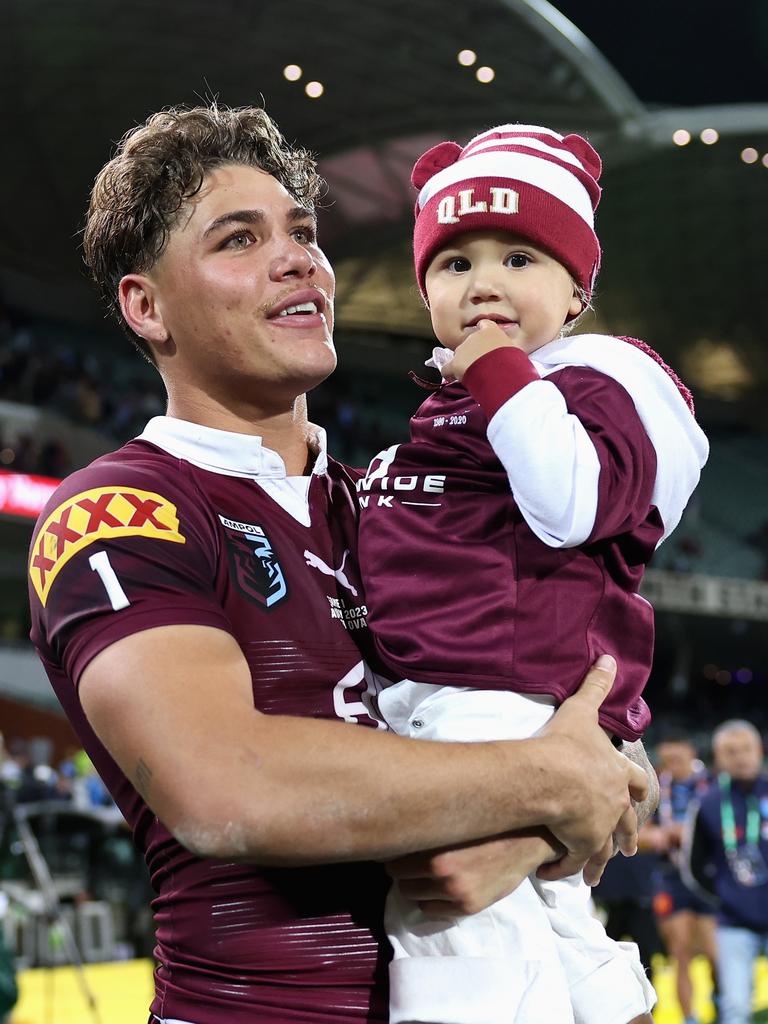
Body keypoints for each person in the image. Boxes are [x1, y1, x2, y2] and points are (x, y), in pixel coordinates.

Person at [26, 105, 651, 1024]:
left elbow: (603, 743)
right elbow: (226, 782)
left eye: (304, 233)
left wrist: (590, 776)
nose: (298, 260)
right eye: (240, 239)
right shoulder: (118, 511)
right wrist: (546, 785)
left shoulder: (405, 505)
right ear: (144, 305)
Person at [356, 123, 709, 1024]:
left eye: (519, 257)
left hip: (494, 694)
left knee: (451, 925)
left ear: (579, 290)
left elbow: (573, 504)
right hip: (458, 692)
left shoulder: (588, 378)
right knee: (556, 929)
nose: (482, 285)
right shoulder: (447, 411)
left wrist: (505, 376)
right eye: (453, 263)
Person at [685, 720, 768, 1024]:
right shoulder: (707, 803)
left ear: (759, 750)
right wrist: (725, 896)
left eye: (747, 749)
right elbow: (693, 867)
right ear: (719, 758)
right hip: (733, 922)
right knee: (735, 1007)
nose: (741, 757)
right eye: (731, 752)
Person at [641, 732, 716, 1024]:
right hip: (670, 877)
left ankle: (720, 1000)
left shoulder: (711, 785)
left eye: (677, 754)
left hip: (708, 878)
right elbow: (638, 833)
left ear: (690, 750)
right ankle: (689, 1018)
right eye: (667, 755)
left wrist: (689, 834)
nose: (672, 759)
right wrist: (656, 835)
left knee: (714, 953)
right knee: (679, 950)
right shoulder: (656, 787)